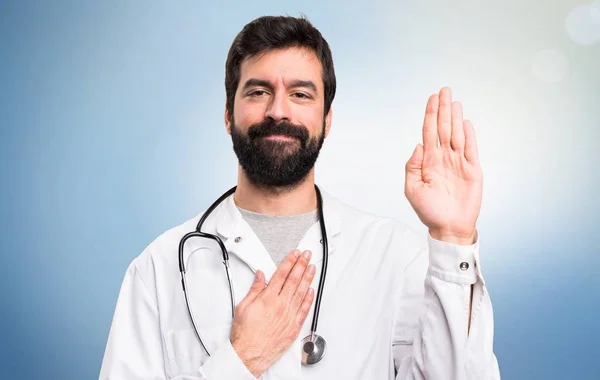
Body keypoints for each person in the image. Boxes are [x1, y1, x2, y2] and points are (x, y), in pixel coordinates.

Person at [99, 15, 501, 380]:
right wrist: (241, 360)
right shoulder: (160, 267)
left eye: (301, 94)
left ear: (327, 118)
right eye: (258, 91)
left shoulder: (395, 256)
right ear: (227, 113)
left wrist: (452, 238)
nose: (278, 111)